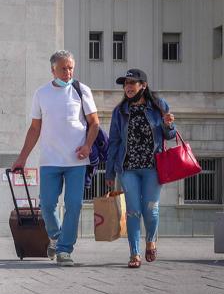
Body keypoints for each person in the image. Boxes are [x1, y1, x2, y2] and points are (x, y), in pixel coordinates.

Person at [11, 50, 100, 266]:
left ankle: (64, 250)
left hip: (76, 161)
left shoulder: (82, 91)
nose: (68, 72)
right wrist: (22, 157)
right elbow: (34, 128)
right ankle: (56, 236)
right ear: (53, 70)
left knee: (74, 204)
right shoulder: (41, 94)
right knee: (47, 205)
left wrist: (88, 145)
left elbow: (94, 123)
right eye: (63, 68)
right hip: (50, 160)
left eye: (71, 67)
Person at [105, 69, 176, 268]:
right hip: (128, 169)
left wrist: (169, 125)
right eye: (125, 83)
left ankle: (151, 241)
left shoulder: (158, 106)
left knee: (151, 210)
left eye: (132, 82)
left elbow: (169, 135)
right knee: (133, 211)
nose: (127, 87)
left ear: (142, 85)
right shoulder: (120, 112)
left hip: (153, 168)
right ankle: (134, 253)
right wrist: (110, 172)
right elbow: (114, 143)